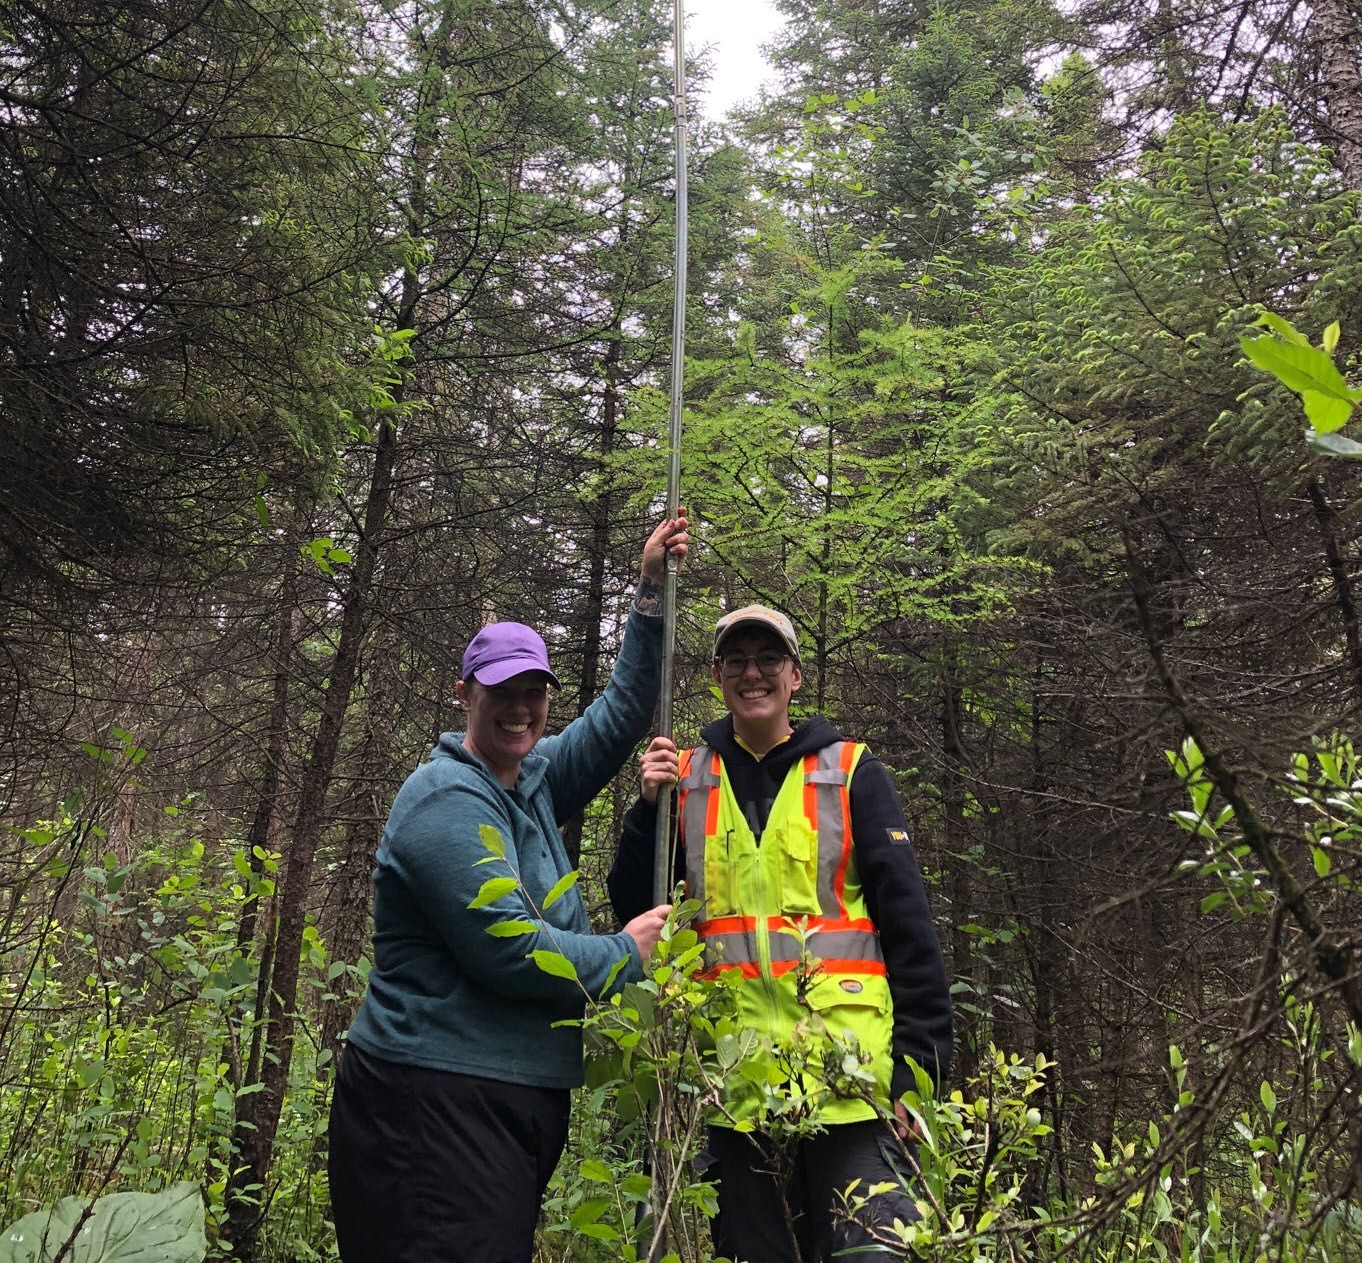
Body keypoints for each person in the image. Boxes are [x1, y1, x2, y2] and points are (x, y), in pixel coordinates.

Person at [328, 511, 687, 1263]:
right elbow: (513, 952)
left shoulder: (530, 781)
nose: (521, 707)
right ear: (465, 694)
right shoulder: (442, 800)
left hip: (495, 1106)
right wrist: (625, 951)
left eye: (535, 690)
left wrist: (650, 589)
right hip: (428, 1101)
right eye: (502, 691)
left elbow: (621, 711)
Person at [607, 603, 952, 1263]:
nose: (752, 673)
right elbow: (635, 910)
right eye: (736, 660)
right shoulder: (685, 778)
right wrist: (647, 814)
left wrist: (917, 1075)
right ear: (716, 676)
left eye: (768, 660)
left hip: (854, 1093)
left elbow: (910, 933)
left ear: (795, 675)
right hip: (737, 1098)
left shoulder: (852, 772)